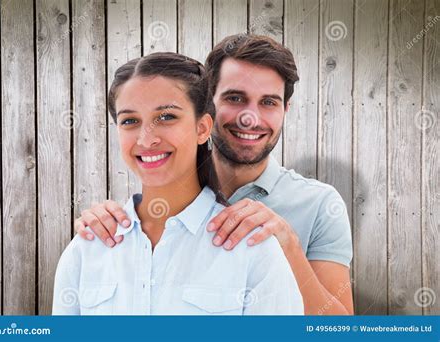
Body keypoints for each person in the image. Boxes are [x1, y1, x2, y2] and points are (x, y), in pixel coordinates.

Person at [75, 35, 354, 315]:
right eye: (235, 98)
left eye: (268, 102)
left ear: (285, 110)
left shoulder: (319, 205)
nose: (250, 118)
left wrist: (288, 244)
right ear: (208, 106)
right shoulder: (161, 195)